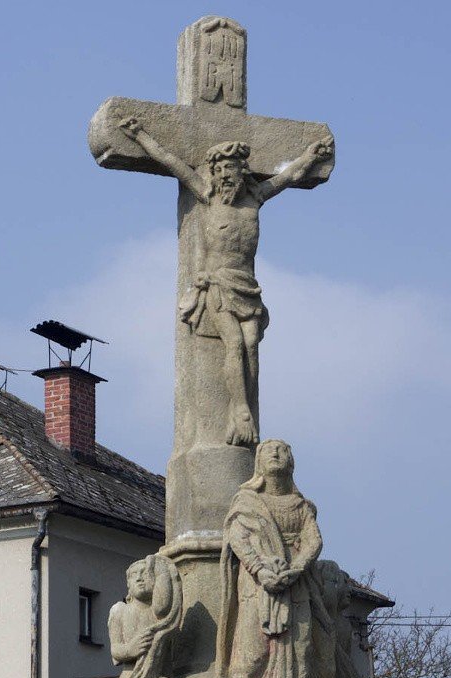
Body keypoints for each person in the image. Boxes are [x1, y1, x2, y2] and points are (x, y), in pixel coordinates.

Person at [117, 116, 334, 446]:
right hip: (218, 287)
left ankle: (245, 406)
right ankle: (240, 409)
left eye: (231, 169)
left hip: (248, 287)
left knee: (251, 346)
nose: (225, 176)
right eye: (220, 170)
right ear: (214, 174)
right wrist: (140, 135)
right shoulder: (207, 196)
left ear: (241, 171)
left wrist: (312, 156)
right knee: (233, 343)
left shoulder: (255, 198)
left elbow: (290, 175)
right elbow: (170, 161)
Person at [212, 440, 336, 678]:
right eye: (270, 450)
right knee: (253, 653)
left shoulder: (302, 506)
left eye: (283, 450)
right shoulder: (246, 502)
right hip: (258, 585)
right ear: (258, 463)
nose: (277, 454)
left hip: (296, 585)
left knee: (299, 650)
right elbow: (238, 538)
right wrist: (261, 570)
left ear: (291, 462)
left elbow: (313, 540)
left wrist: (296, 568)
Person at [98, 554, 181, 678]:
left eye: (145, 573)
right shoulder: (120, 610)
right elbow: (115, 651)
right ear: (128, 584)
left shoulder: (160, 616)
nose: (139, 578)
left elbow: (167, 604)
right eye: (134, 574)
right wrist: (131, 649)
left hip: (154, 677)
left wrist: (163, 574)